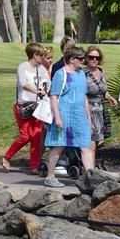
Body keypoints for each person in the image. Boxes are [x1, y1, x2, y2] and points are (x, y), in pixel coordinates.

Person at [44, 46, 94, 187]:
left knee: (85, 145)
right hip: (64, 112)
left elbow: (84, 96)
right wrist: (58, 118)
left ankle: (91, 178)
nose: (83, 61)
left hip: (79, 114)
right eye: (80, 59)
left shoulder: (82, 74)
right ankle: (50, 176)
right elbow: (53, 96)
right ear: (72, 59)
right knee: (59, 145)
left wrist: (88, 117)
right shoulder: (61, 74)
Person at [1, 42, 47, 174]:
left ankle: (34, 165)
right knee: (25, 136)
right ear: (34, 55)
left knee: (36, 136)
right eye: (41, 55)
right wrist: (37, 91)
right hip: (23, 106)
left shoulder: (42, 69)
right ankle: (7, 156)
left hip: (38, 107)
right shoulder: (23, 67)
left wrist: (44, 90)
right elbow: (23, 84)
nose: (42, 58)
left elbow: (46, 83)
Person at [84, 46, 117, 161]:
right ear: (86, 58)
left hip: (100, 111)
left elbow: (103, 90)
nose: (94, 60)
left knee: (98, 143)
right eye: (91, 57)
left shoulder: (101, 72)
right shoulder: (83, 74)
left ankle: (91, 166)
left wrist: (110, 98)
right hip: (88, 110)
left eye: (97, 58)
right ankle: (89, 169)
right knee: (91, 143)